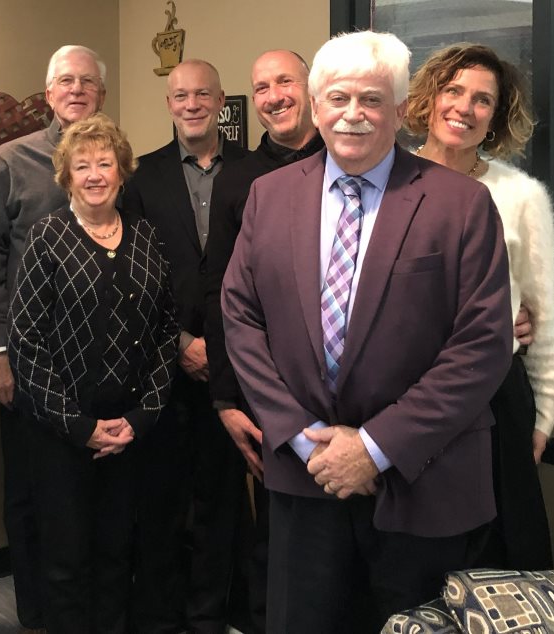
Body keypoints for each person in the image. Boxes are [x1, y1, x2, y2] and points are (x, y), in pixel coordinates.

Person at [221, 31, 514, 632]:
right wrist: (304, 439)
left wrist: (374, 448)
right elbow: (241, 318)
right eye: (338, 98)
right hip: (306, 481)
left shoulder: (462, 204)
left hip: (423, 483)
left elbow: (481, 346)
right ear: (316, 104)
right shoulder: (267, 197)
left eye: (372, 100)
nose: (353, 114)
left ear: (403, 110)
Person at [8, 113, 179, 634]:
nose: (95, 174)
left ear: (122, 171)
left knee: (116, 554)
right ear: (66, 177)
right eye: (82, 165)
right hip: (63, 432)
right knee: (65, 561)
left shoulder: (146, 236)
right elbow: (26, 341)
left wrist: (139, 419)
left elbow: (166, 333)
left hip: (129, 431)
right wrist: (80, 427)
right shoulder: (48, 236)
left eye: (105, 163)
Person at [408, 43, 554, 570]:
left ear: (496, 117)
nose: (464, 107)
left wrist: (541, 418)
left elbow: (543, 321)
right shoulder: (387, 179)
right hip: (402, 391)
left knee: (496, 560)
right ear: (429, 97)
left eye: (483, 100)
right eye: (453, 90)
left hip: (497, 401)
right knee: (411, 558)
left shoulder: (521, 196)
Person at [0, 45, 107, 631]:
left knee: (92, 493)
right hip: (29, 360)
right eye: (64, 81)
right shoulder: (10, 159)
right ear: (47, 93)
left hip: (101, 363)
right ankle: (37, 614)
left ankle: (91, 608)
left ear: (101, 92)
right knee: (29, 492)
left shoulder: (113, 157)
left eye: (87, 82)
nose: (75, 90)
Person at [120, 58, 247, 633]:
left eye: (202, 94)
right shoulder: (140, 179)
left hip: (235, 367)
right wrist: (178, 343)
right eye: (180, 96)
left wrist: (216, 349)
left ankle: (209, 618)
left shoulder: (255, 174)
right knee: (162, 501)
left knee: (221, 504)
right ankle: (160, 618)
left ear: (220, 100)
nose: (191, 104)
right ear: (168, 103)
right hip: (159, 368)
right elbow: (129, 275)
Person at [203, 49, 325, 634]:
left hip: (350, 391)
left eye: (285, 82)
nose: (274, 96)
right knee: (275, 536)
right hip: (266, 391)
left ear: (311, 88)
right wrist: (225, 400)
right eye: (261, 88)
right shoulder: (239, 180)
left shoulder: (348, 161)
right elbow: (221, 297)